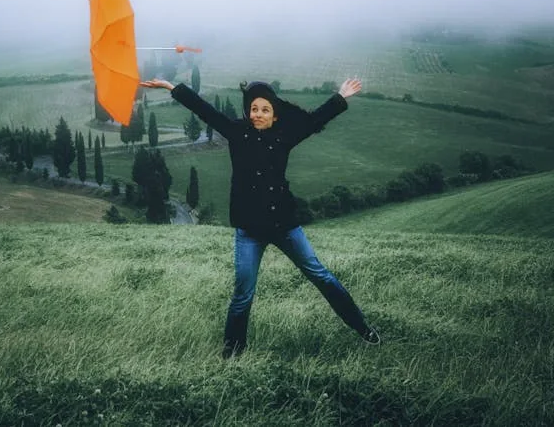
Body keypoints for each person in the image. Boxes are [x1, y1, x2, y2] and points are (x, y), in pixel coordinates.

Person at [141, 77, 380, 357]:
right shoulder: (236, 132)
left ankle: (362, 328)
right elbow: (204, 110)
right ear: (248, 111)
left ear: (274, 114)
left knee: (321, 276)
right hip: (249, 231)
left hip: (284, 226)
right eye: (254, 109)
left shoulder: (285, 136)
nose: (258, 114)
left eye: (265, 109)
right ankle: (232, 354)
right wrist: (173, 88)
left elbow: (315, 121)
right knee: (242, 295)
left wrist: (341, 96)